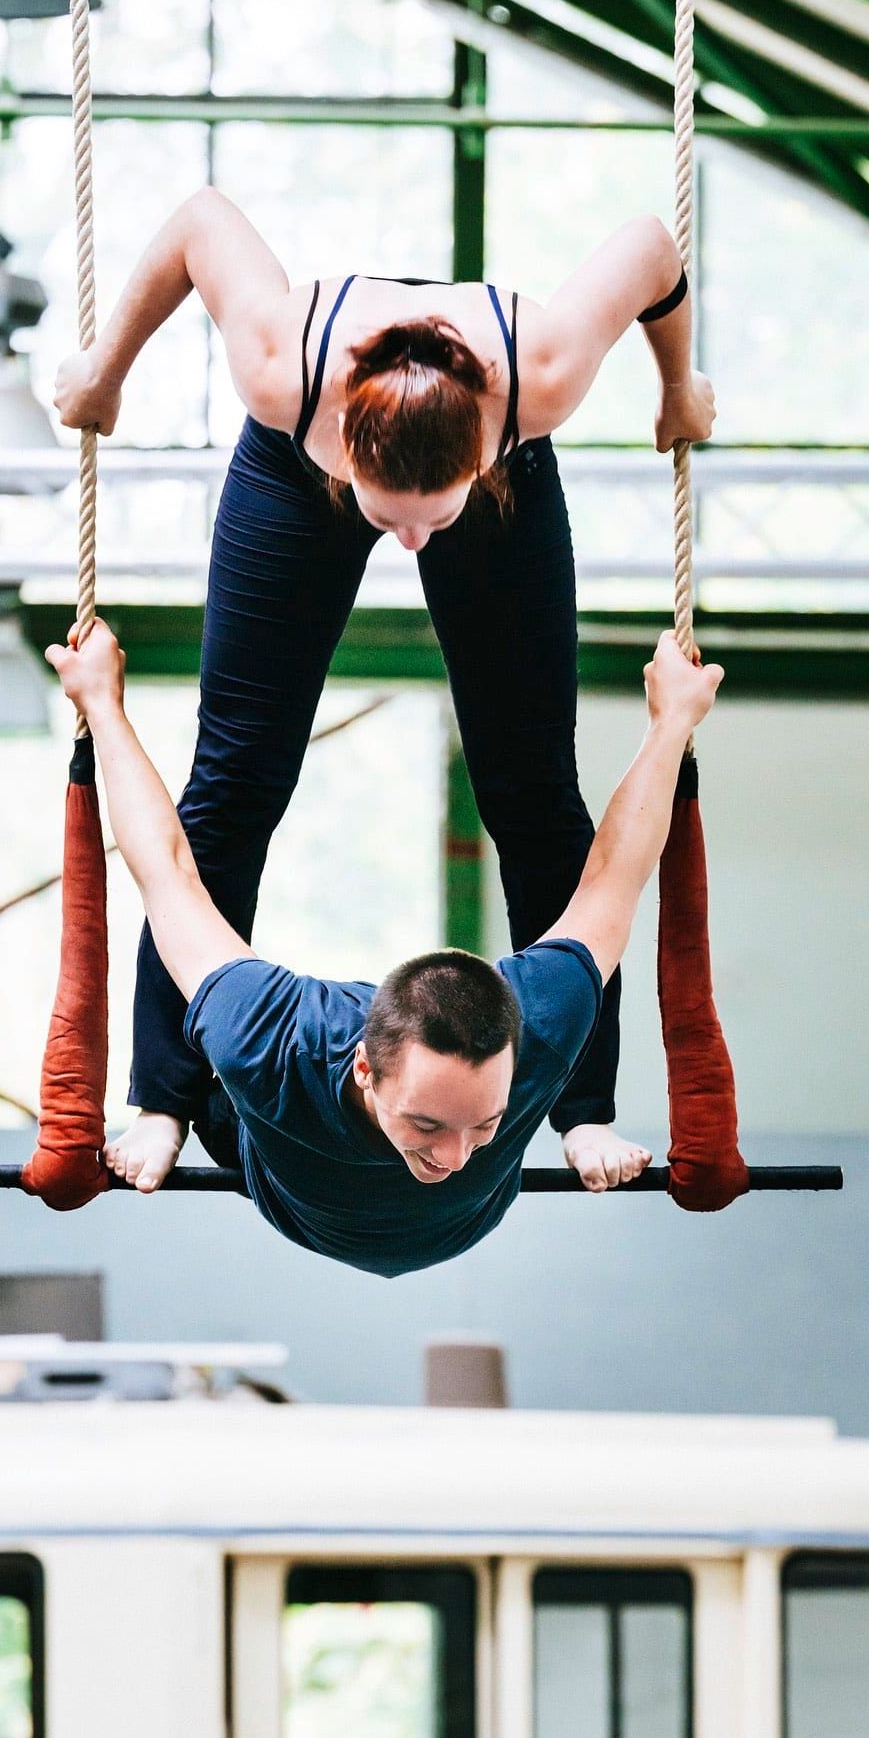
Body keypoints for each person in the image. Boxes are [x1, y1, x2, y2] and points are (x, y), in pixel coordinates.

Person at [53, 187, 716, 1198]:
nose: (407, 540)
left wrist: (678, 388)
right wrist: (105, 369)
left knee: (531, 789)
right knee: (236, 777)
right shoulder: (282, 369)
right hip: (291, 472)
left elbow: (650, 249)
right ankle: (165, 1099)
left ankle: (582, 1109)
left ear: (478, 460)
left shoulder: (540, 373)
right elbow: (198, 224)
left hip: (502, 475)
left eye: (428, 516)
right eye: (387, 513)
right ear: (349, 456)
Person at [43, 612, 723, 1278]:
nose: (453, 1158)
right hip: (281, 1178)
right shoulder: (275, 1042)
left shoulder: (542, 1025)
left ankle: (576, 1121)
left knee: (553, 843)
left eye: (485, 1125)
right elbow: (166, 871)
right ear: (363, 1068)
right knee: (198, 916)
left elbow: (617, 874)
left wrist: (674, 723)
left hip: (464, 1219)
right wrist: (101, 705)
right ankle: (165, 1111)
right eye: (428, 1124)